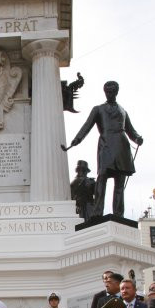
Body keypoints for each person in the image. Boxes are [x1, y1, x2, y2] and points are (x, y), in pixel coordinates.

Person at [62, 81, 143, 219]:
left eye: (112, 91)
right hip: (105, 145)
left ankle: (119, 214)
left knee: (119, 182)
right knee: (102, 177)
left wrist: (137, 138)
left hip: (121, 146)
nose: (109, 94)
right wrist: (77, 139)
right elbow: (87, 126)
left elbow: (130, 130)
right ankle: (97, 212)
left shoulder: (123, 111)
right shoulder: (98, 109)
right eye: (107, 91)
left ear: (116, 92)